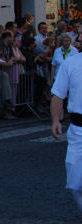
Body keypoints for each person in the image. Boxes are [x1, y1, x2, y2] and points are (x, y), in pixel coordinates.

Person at [50, 47, 82, 212]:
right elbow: (58, 94)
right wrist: (56, 119)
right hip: (78, 130)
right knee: (75, 183)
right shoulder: (71, 63)